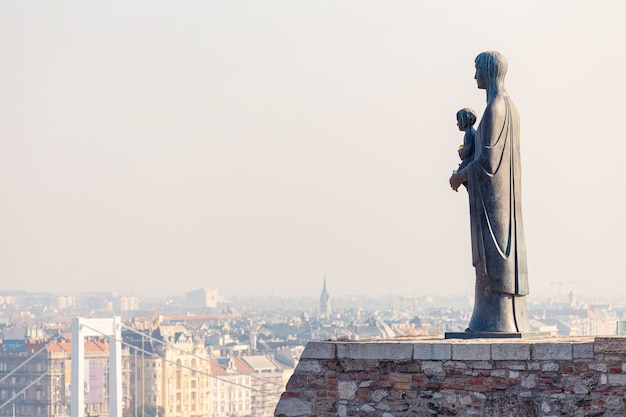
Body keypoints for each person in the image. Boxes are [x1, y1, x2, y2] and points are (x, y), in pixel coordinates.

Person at [449, 51, 530, 333]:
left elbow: (487, 163)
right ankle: (494, 318)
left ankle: (492, 322)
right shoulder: (510, 107)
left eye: (477, 70)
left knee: (491, 261)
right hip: (504, 202)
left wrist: (460, 176)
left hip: (496, 206)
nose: (474, 76)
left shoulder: (495, 108)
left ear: (489, 71)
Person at [455, 108, 477, 188]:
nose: (457, 124)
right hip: (472, 160)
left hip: (470, 160)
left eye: (458, 121)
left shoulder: (469, 134)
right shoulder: (473, 132)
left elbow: (469, 150)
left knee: (458, 174)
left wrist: (461, 152)